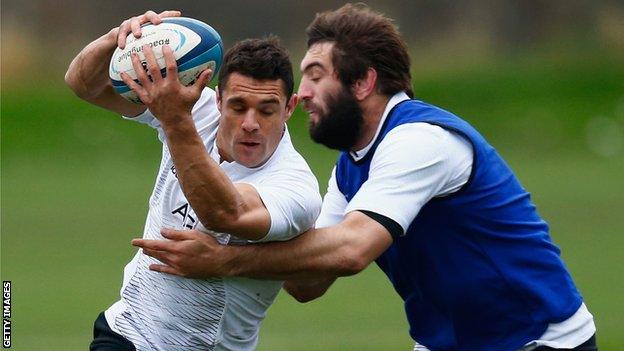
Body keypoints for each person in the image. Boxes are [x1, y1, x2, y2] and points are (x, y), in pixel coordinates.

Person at [132, 4, 598, 351]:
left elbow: (351, 250)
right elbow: (307, 283)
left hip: (539, 340)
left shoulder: (421, 140)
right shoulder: (353, 165)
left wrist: (224, 260)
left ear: (363, 84)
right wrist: (261, 220)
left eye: (316, 75)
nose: (305, 93)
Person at [65, 10, 321, 351]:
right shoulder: (192, 109)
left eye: (266, 109)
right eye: (238, 105)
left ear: (289, 108)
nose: (250, 123)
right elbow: (84, 84)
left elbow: (226, 213)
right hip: (129, 332)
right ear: (216, 99)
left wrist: (174, 121)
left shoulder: (295, 185)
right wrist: (118, 40)